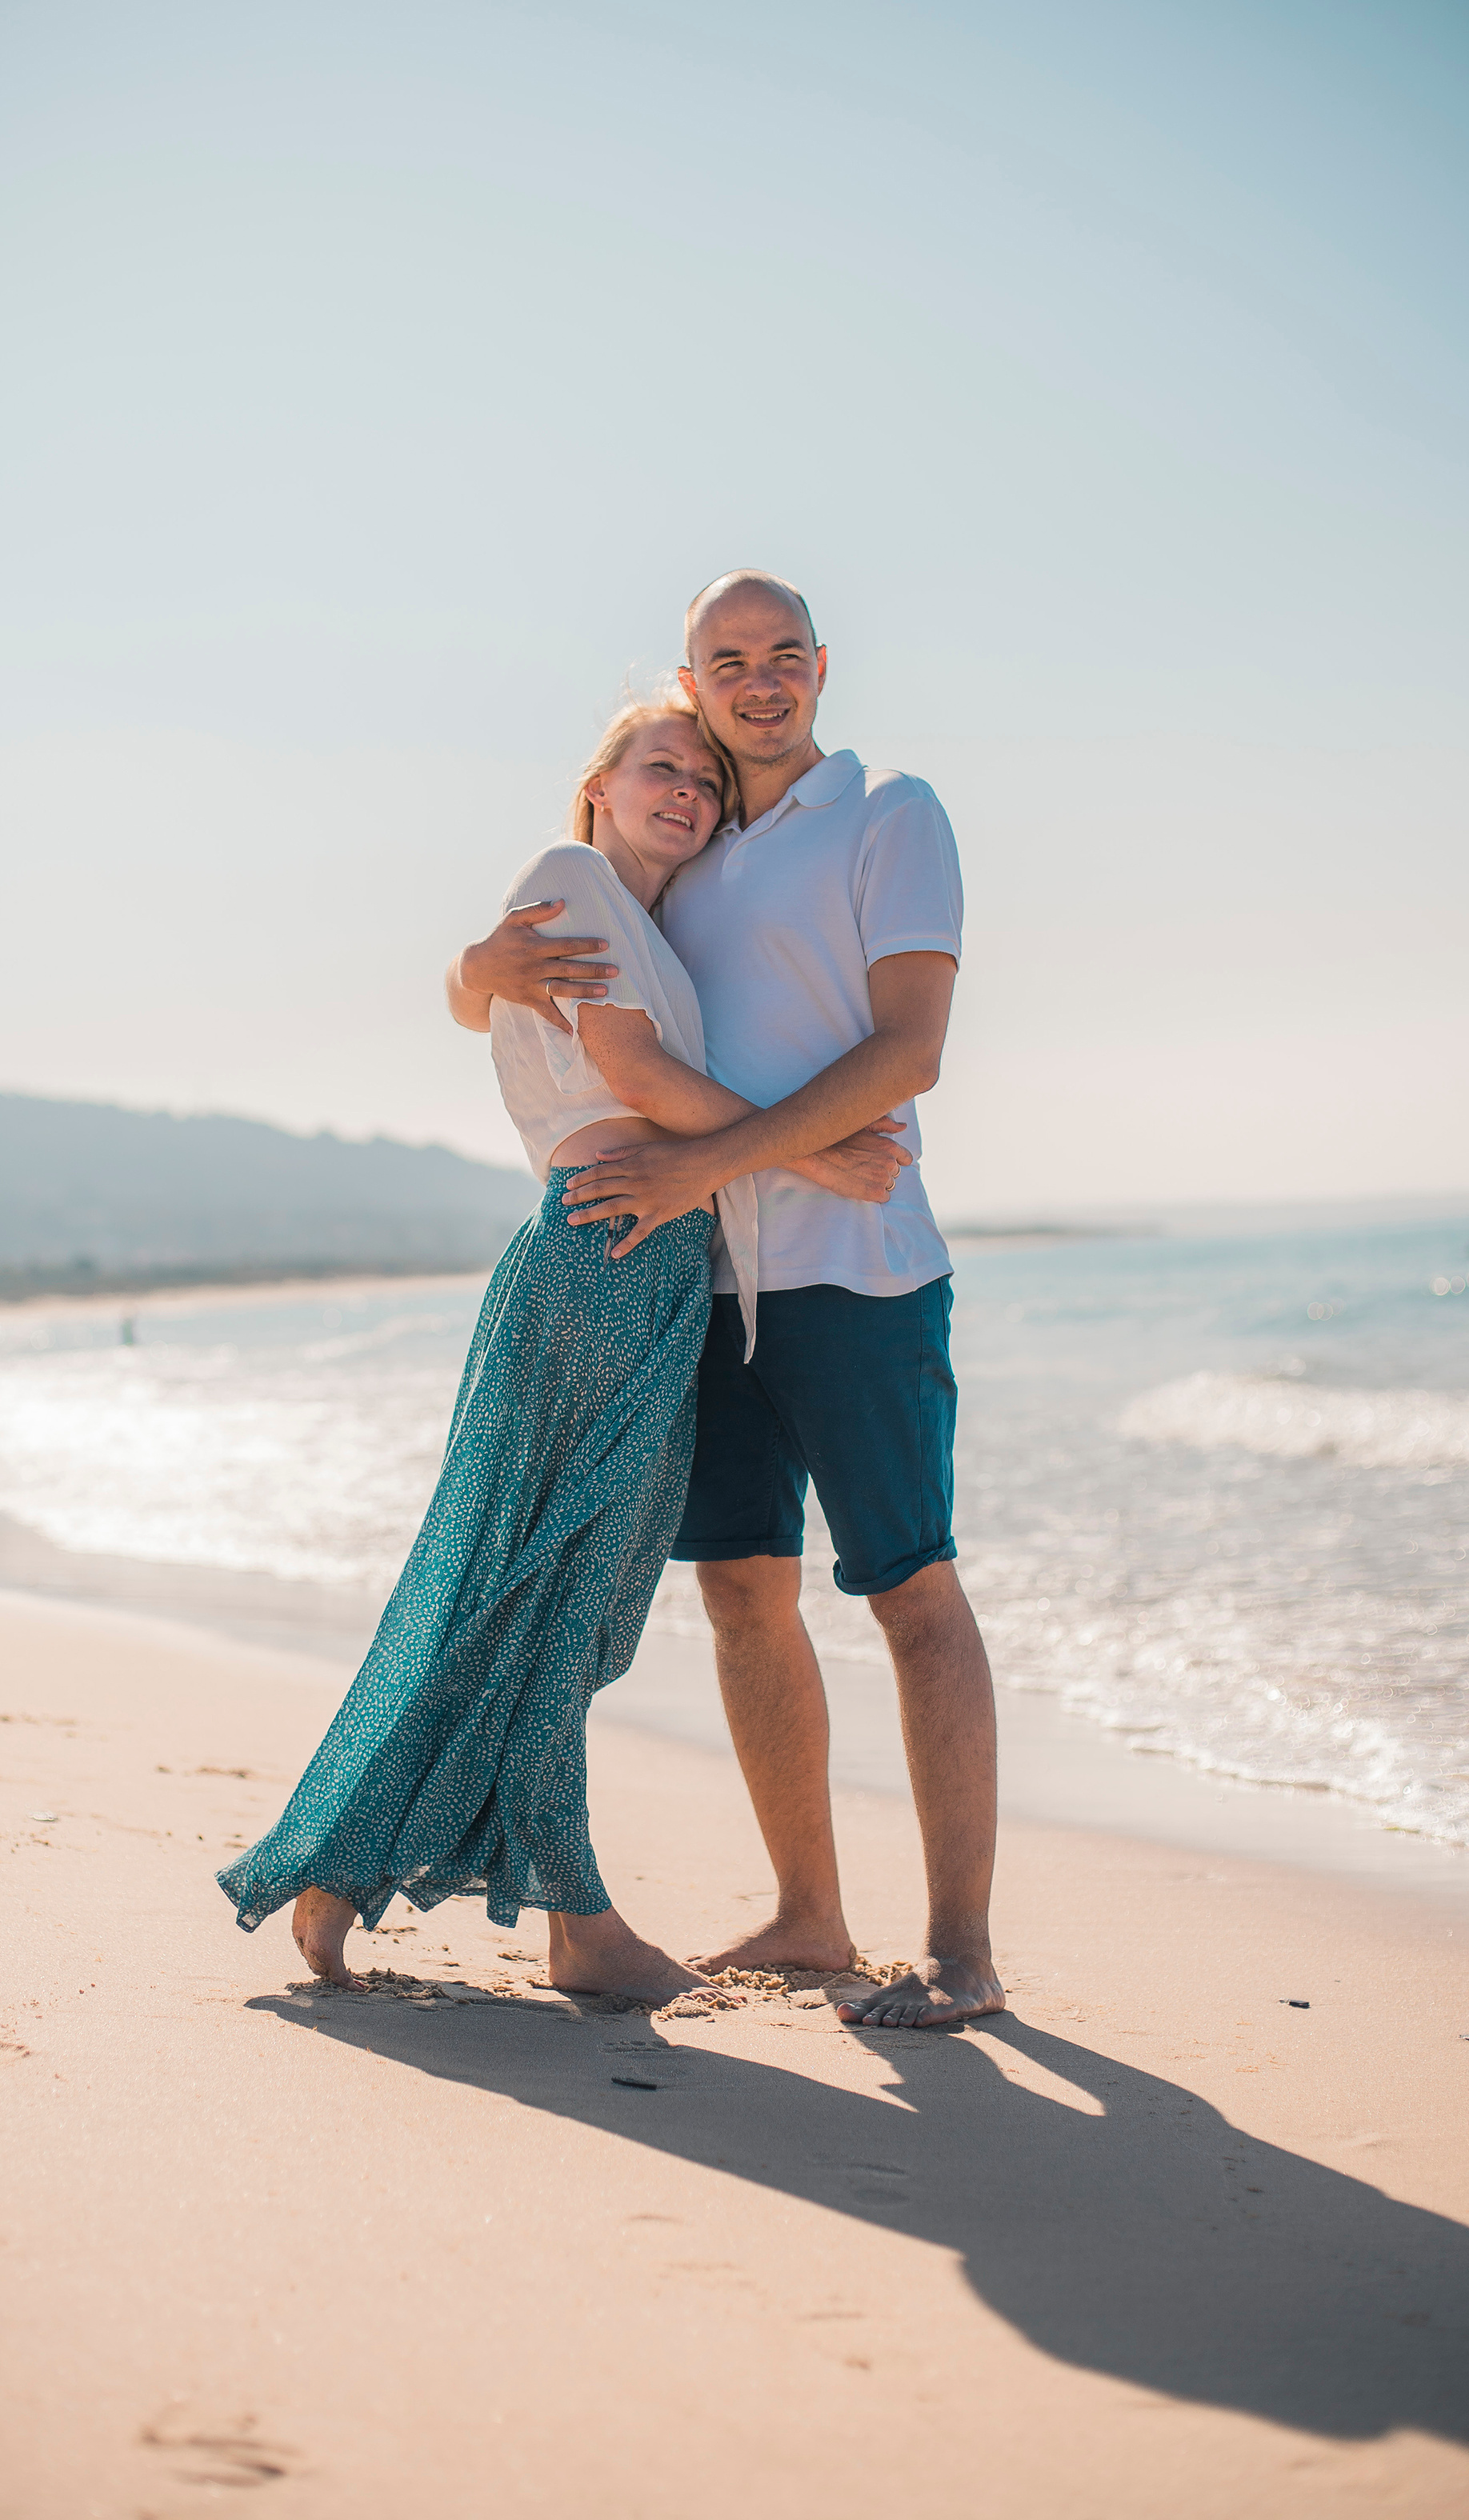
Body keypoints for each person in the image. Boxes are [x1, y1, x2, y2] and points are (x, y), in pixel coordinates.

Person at [219, 690, 904, 2003]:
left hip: (645, 1273)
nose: (690, 790)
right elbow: (637, 1077)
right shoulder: (572, 875)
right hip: (602, 1257)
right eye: (663, 764)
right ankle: (571, 1917)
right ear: (597, 783)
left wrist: (472, 976)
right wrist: (821, 1144)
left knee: (546, 1594)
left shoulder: (640, 924)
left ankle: (342, 1866)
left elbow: (507, 1011)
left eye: (706, 779)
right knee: (552, 1587)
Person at [449, 572, 1003, 2030]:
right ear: (692, 687)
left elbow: (913, 1051)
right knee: (744, 1590)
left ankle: (961, 1949)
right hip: (700, 1283)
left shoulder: (892, 811)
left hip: (860, 1269)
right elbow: (557, 993)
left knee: (910, 1589)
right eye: (724, 664)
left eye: (779, 657)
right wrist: (471, 970)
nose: (755, 684)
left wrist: (735, 1160)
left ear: (821, 667)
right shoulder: (676, 850)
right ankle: (812, 1916)